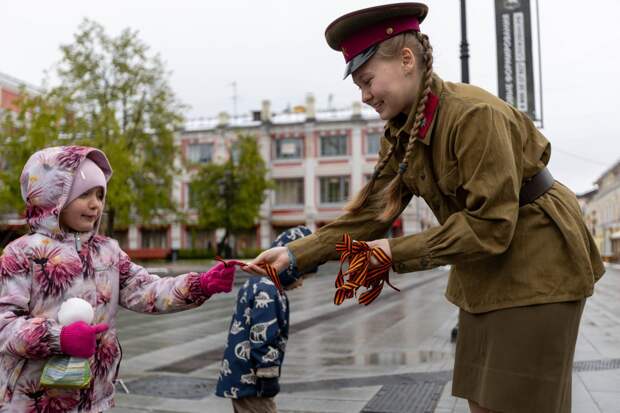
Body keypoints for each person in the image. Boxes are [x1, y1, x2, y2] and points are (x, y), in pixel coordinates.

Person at [245, 3, 605, 413]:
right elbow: (372, 214)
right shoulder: (403, 129)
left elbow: (490, 226)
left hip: (539, 261)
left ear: (406, 59)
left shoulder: (474, 115)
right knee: (483, 403)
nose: (364, 96)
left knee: (522, 404)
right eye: (358, 86)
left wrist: (390, 253)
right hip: (485, 269)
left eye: (367, 81)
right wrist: (294, 255)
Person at [0, 146, 236, 412]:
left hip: (94, 398)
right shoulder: (21, 253)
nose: (95, 204)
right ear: (54, 196)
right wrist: (59, 337)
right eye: (84, 194)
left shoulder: (107, 251)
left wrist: (200, 285)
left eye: (100, 195)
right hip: (34, 400)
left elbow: (144, 289)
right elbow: (4, 324)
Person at [216, 226, 315, 413]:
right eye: (302, 276)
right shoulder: (268, 289)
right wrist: (267, 374)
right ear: (289, 269)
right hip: (251, 380)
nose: (301, 283)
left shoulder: (258, 283)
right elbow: (262, 335)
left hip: (241, 374)